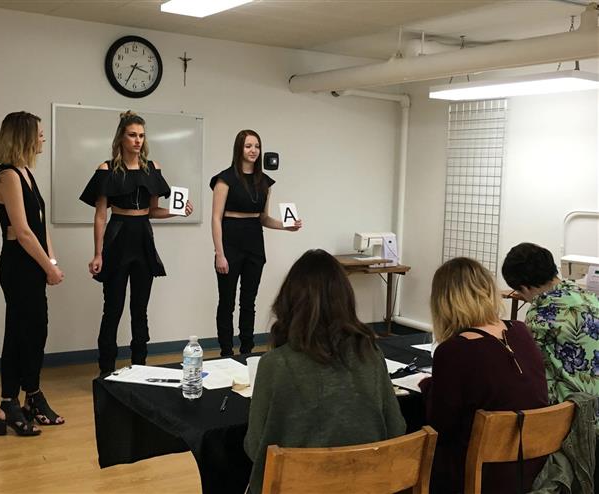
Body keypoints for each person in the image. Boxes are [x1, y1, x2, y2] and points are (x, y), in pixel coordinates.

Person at [244, 249, 406, 494]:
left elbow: (255, 445)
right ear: (346, 300)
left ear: (289, 302)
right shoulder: (371, 355)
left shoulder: (274, 365)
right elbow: (396, 428)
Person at [420, 257, 548, 493]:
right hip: (532, 467)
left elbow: (441, 425)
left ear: (443, 301)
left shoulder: (454, 351)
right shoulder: (520, 331)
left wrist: (429, 387)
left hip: (481, 474)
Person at [79, 111, 193, 375]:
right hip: (118, 236)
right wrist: (98, 254)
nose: (137, 140)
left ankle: (141, 368)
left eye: (141, 135)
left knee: (140, 310)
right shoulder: (106, 169)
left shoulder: (152, 169)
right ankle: (106, 371)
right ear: (121, 137)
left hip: (143, 236)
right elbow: (99, 215)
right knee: (113, 309)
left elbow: (154, 211)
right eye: (132, 135)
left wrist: (176, 212)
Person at [0, 111, 65, 436]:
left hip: (32, 264)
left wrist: (52, 260)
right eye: (40, 133)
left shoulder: (26, 173)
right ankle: (8, 403)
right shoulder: (7, 176)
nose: (43, 138)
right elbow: (21, 231)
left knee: (35, 331)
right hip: (19, 265)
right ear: (24, 136)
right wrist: (47, 266)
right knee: (20, 333)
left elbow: (39, 223)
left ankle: (31, 395)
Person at [210, 130, 301, 356]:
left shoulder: (264, 182)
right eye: (248, 146)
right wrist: (219, 253)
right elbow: (215, 218)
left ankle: (247, 350)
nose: (253, 151)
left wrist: (285, 226)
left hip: (254, 242)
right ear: (239, 149)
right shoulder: (225, 179)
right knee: (227, 302)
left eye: (257, 146)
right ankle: (225, 351)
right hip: (230, 242)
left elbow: (263, 218)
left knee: (248, 302)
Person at [502, 242, 599, 404]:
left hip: (577, 413)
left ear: (524, 288)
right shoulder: (590, 298)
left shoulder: (539, 315)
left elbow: (525, 367)